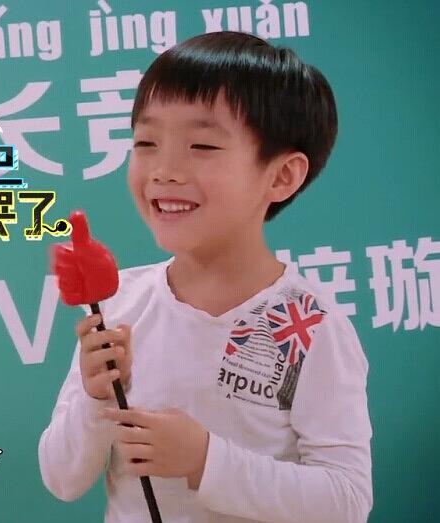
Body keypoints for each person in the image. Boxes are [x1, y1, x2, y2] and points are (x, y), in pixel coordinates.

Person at [38, 31, 372, 523]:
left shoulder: (308, 324)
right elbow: (62, 479)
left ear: (281, 176)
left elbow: (346, 501)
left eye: (202, 145)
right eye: (146, 142)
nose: (164, 170)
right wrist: (95, 399)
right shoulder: (118, 306)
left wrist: (206, 461)